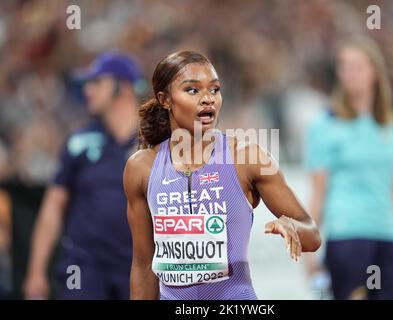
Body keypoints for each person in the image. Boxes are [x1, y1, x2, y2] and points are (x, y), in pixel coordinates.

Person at [124, 50, 321, 300]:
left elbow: (312, 234)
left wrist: (292, 226)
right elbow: (142, 265)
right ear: (165, 99)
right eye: (193, 90)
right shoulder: (141, 168)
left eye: (214, 90)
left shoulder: (247, 157)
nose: (208, 99)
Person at [23, 52, 143, 299]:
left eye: (97, 83)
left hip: (137, 266)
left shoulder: (156, 144)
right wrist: (36, 271)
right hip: (84, 265)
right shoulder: (79, 142)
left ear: (123, 87)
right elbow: (54, 205)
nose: (88, 90)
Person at [304, 36, 393, 299]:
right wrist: (309, 249)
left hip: (389, 235)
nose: (349, 74)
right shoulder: (325, 125)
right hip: (348, 235)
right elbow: (318, 192)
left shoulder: (390, 125)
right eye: (344, 67)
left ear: (374, 72)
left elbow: (392, 186)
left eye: (357, 66)